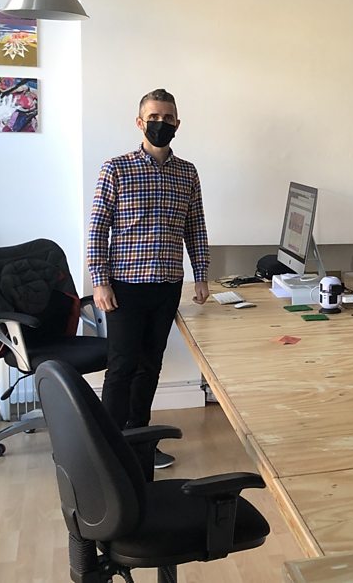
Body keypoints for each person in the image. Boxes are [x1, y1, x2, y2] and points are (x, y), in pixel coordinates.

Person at [87, 88, 210, 469]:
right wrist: (99, 281)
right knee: (121, 367)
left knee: (149, 366)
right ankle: (108, 452)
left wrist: (202, 275)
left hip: (167, 285)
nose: (161, 123)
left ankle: (139, 441)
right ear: (140, 122)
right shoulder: (116, 169)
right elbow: (97, 229)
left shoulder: (187, 172)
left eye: (167, 118)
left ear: (177, 123)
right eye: (153, 117)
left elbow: (195, 227)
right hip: (124, 286)